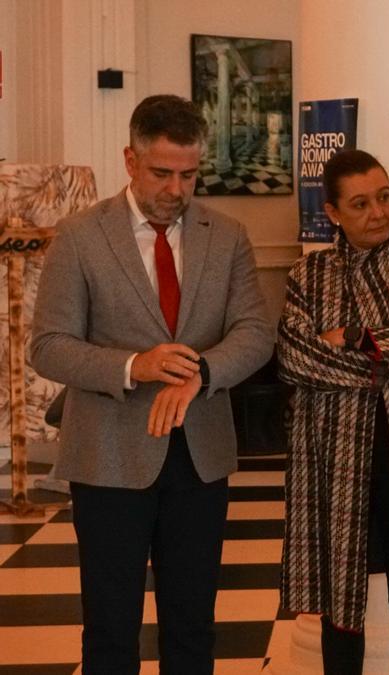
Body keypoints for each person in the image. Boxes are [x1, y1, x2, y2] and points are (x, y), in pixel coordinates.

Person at [30, 94, 274, 672]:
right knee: (111, 632)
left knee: (192, 629)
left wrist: (203, 374)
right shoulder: (81, 236)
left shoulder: (228, 235)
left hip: (200, 455)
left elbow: (254, 332)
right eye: (162, 173)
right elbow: (49, 346)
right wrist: (133, 366)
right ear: (130, 161)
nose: (176, 189)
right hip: (108, 455)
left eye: (190, 174)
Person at [276, 149, 389, 675]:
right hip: (335, 457)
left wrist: (356, 337)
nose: (379, 212)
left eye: (384, 196)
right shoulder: (307, 276)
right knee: (342, 605)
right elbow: (295, 359)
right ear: (333, 213)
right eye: (360, 204)